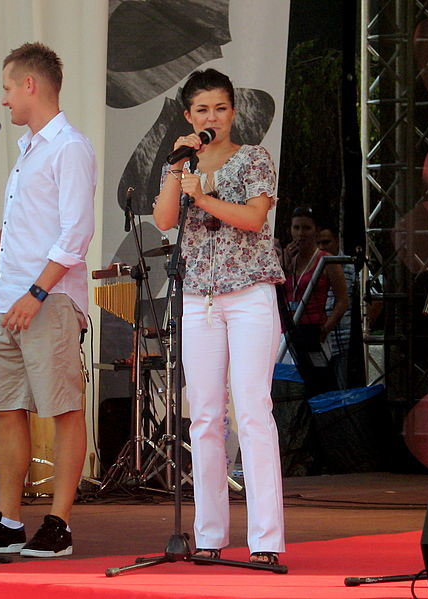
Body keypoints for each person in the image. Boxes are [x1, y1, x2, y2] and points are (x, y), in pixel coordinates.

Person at [0, 42, 96, 558]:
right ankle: (9, 520)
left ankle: (58, 525)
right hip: (9, 298)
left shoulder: (69, 147)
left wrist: (38, 292)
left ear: (30, 85)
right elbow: (33, 228)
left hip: (47, 300)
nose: (6, 99)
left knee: (62, 408)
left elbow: (76, 233)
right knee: (5, 406)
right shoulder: (30, 148)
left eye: (9, 88)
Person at [153, 68, 286, 566]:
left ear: (233, 112)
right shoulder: (182, 163)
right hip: (198, 297)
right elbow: (165, 220)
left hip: (249, 293)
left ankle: (266, 539)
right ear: (189, 116)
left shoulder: (253, 158)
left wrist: (203, 197)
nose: (213, 117)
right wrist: (176, 172)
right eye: (203, 110)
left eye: (221, 108)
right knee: (205, 417)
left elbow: (255, 218)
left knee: (252, 410)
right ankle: (208, 534)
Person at [280, 206, 348, 393]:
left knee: (316, 383)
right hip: (285, 332)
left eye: (306, 228)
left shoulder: (325, 259)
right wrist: (283, 266)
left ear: (316, 231)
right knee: (286, 384)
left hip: (313, 330)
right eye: (296, 228)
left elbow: (343, 300)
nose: (301, 233)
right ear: (290, 230)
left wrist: (327, 328)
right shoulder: (286, 260)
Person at [316, 224, 355, 389]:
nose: (322, 248)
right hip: (321, 342)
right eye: (319, 243)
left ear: (337, 240)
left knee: (342, 390)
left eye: (326, 242)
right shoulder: (314, 265)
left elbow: (375, 299)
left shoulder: (350, 265)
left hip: (344, 341)